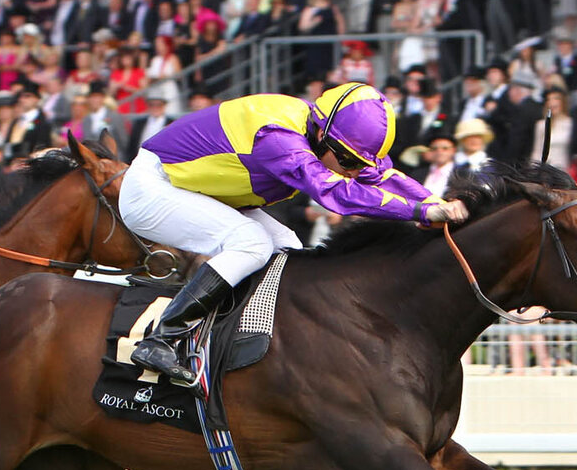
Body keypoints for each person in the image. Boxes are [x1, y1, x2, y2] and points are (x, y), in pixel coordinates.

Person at [120, 83, 467, 386]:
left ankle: (236, 342)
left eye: (358, 163)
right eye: (346, 160)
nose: (351, 171)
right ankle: (164, 338)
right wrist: (419, 212)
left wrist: (436, 202)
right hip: (152, 188)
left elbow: (381, 177)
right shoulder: (277, 136)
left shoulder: (329, 134)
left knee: (288, 248)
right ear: (321, 134)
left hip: (203, 189)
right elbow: (336, 194)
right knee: (251, 243)